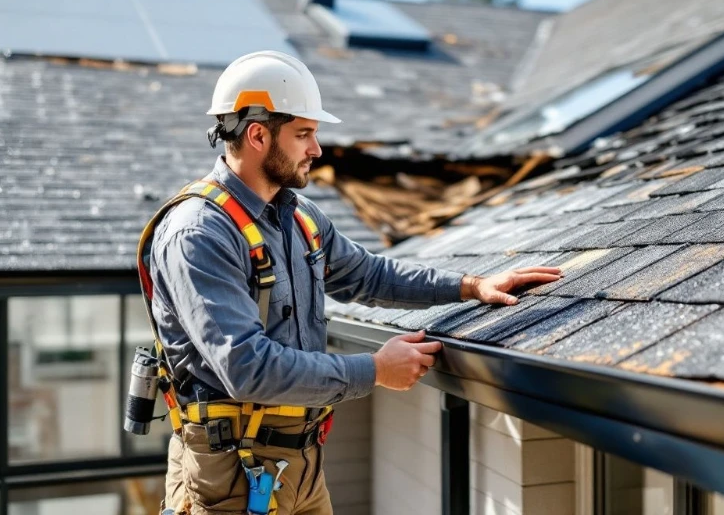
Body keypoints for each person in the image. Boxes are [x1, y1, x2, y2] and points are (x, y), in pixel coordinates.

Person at [142, 51, 562, 515]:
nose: (316, 150)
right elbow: (247, 369)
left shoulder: (298, 218)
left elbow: (369, 275)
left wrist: (471, 285)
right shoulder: (199, 233)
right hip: (230, 483)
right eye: (304, 134)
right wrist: (375, 370)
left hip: (299, 469)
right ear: (258, 134)